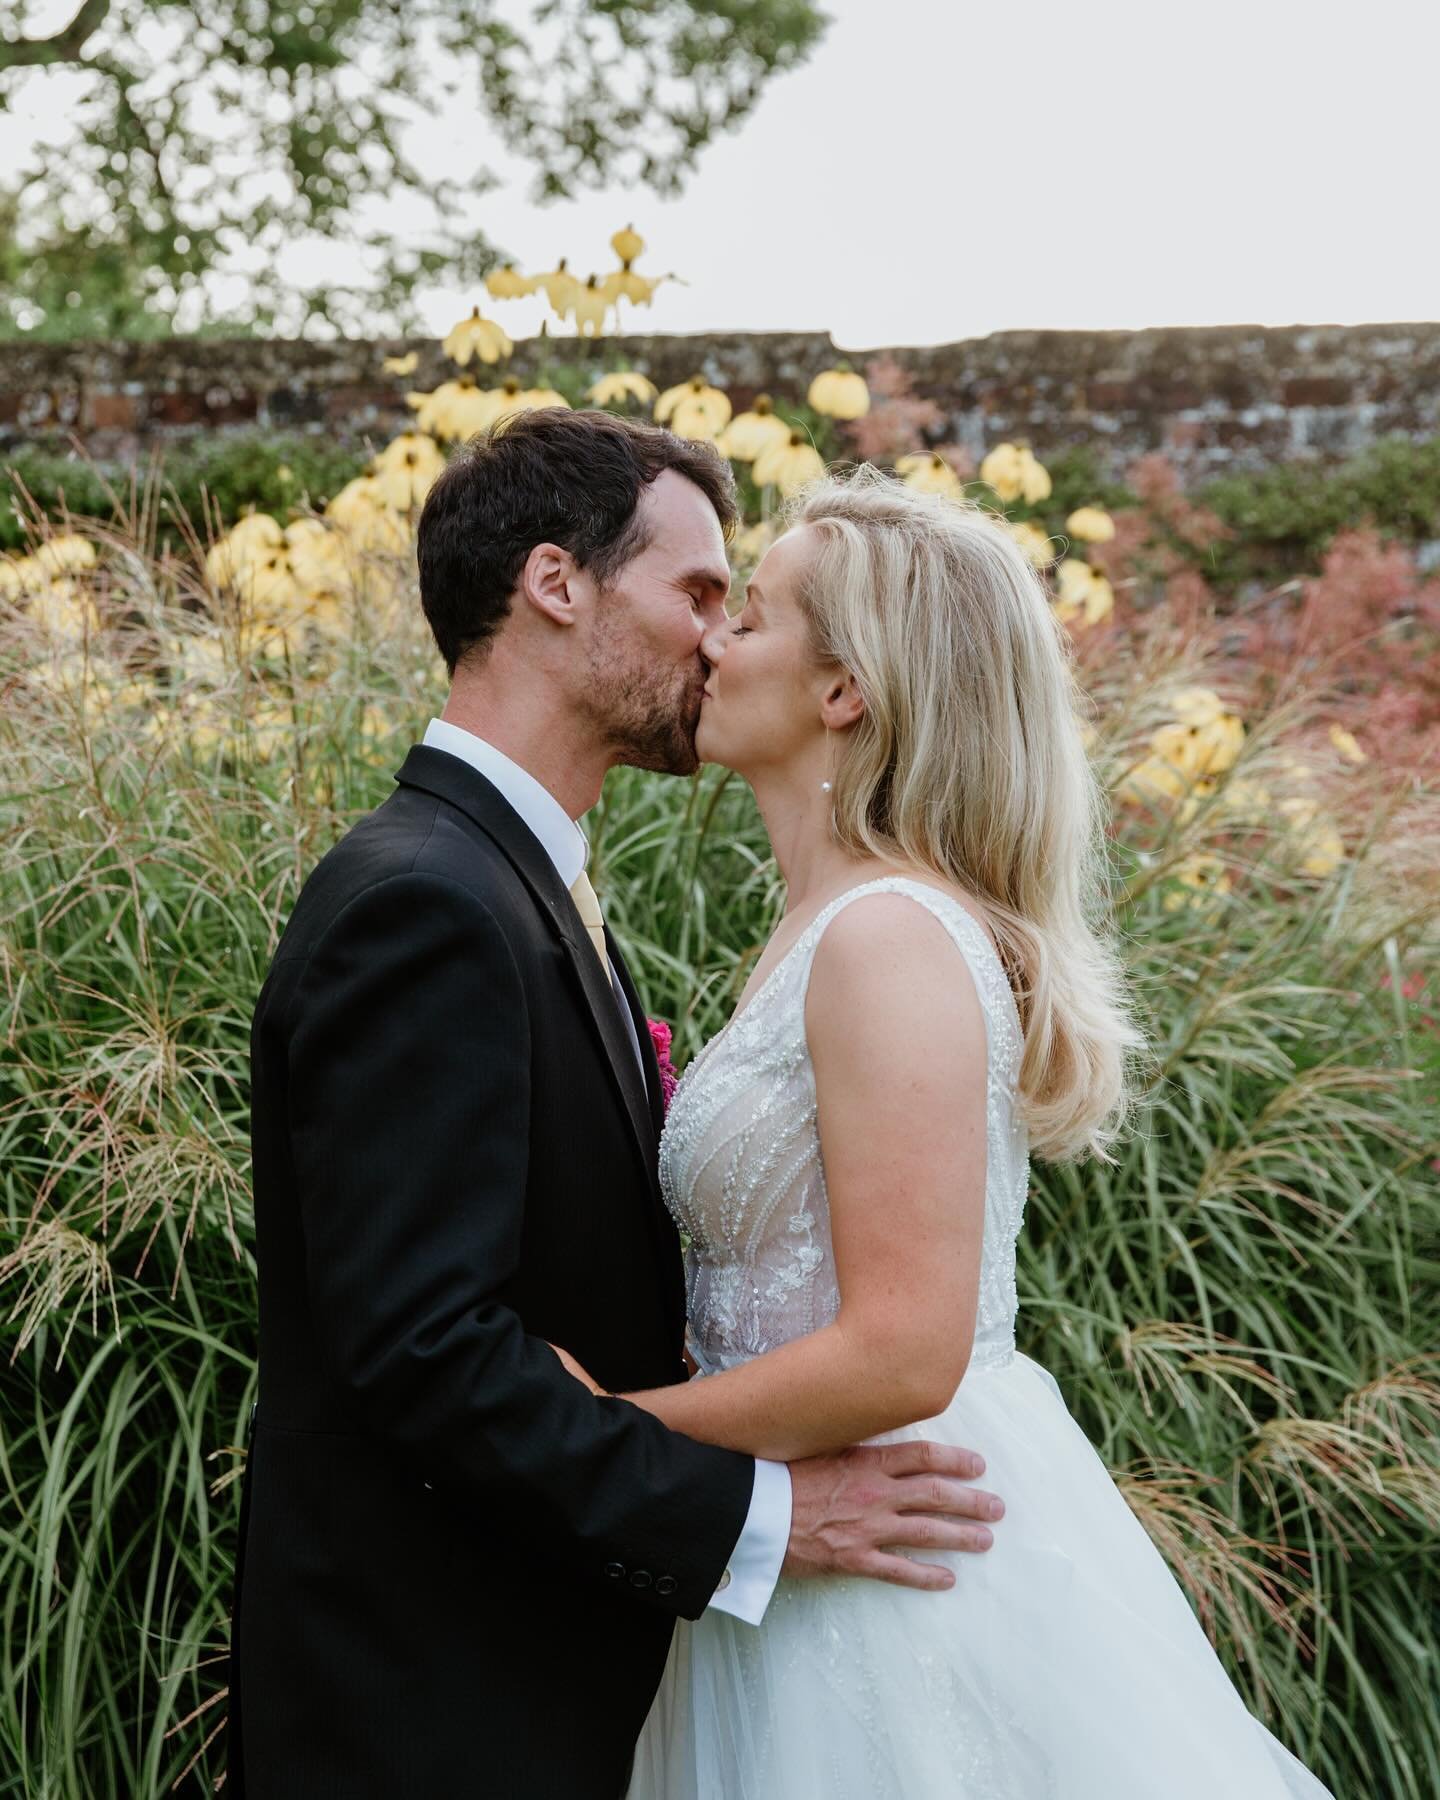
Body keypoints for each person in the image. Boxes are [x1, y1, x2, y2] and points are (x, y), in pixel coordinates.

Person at [222, 412, 1005, 1799]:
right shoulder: (427, 901)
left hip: (549, 1680)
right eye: (699, 593)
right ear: (555, 582)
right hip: (429, 1710)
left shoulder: (524, 886)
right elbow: (426, 1358)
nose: (718, 638)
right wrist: (757, 1515)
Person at [551, 469, 1335, 1797]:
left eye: (756, 615)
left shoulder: (889, 939)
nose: (714, 640)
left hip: (897, 1553)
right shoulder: (828, 932)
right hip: (808, 1530)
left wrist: (621, 1433)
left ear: (843, 689)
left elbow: (905, 1346)